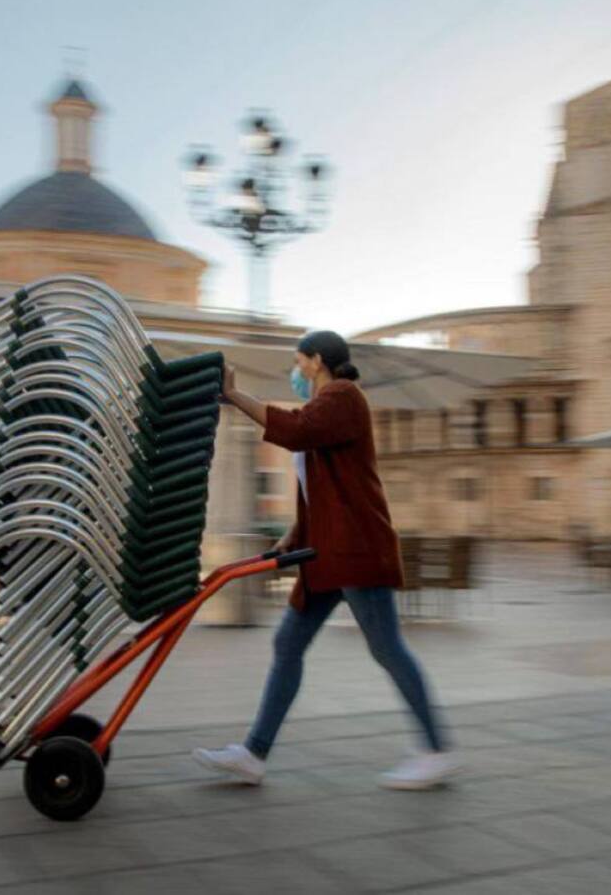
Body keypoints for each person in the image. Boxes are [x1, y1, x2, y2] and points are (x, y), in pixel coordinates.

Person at [192, 330, 458, 790]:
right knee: (288, 646)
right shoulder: (325, 406)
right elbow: (321, 487)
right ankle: (254, 754)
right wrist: (293, 538)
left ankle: (436, 750)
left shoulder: (344, 396)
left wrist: (234, 394)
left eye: (299, 362)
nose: (295, 372)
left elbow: (295, 433)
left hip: (355, 550)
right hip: (327, 555)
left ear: (317, 361)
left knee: (386, 647)